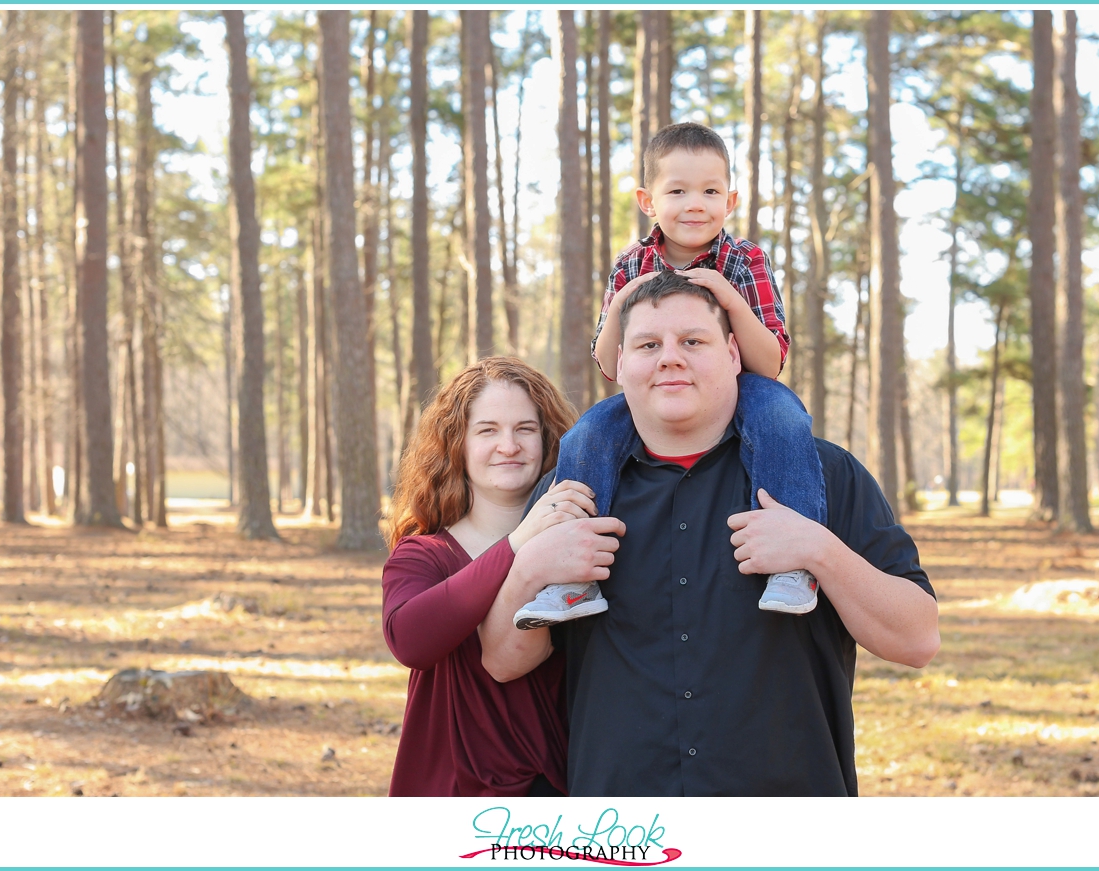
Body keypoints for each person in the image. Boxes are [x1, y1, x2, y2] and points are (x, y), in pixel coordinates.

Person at [481, 272, 940, 796]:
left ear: (732, 353)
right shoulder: (569, 497)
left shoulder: (822, 477)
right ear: (621, 364)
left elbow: (918, 639)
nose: (669, 358)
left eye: (692, 342)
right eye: (648, 345)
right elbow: (502, 660)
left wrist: (819, 550)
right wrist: (530, 568)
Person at [513, 122, 824, 630]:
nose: (694, 203)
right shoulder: (631, 262)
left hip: (739, 386)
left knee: (785, 421)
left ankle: (793, 565)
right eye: (676, 190)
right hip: (654, 390)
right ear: (648, 200)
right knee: (587, 434)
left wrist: (726, 295)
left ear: (731, 199)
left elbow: (768, 362)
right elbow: (612, 364)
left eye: (709, 190)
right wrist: (624, 298)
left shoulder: (745, 260)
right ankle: (572, 577)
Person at [381, 357, 620, 797]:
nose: (508, 445)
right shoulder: (424, 554)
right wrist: (519, 542)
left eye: (525, 429)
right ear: (458, 444)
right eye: (487, 430)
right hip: (452, 790)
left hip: (561, 786)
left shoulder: (583, 543)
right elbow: (410, 641)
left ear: (549, 438)